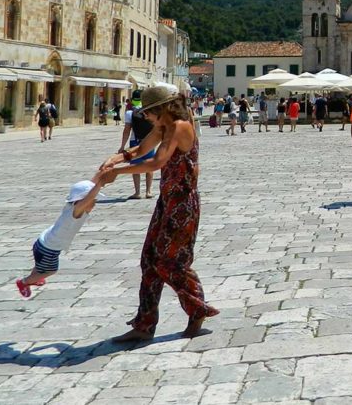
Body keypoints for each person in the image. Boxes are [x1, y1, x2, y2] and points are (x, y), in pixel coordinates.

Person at [98, 86, 218, 342]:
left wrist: (117, 173)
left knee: (171, 262)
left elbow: (157, 162)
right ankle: (144, 324)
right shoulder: (163, 126)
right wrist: (117, 157)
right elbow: (142, 149)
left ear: (160, 109)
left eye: (149, 112)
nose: (147, 117)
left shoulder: (179, 126)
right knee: (149, 260)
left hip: (183, 204)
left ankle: (197, 309)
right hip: (167, 201)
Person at [15, 178, 106, 298]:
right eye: (93, 200)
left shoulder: (71, 206)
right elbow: (88, 198)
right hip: (49, 248)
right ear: (81, 200)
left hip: (44, 242)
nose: (94, 202)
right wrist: (100, 184)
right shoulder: (76, 211)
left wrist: (102, 175)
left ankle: (35, 278)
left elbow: (87, 189)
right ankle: (24, 282)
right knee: (50, 270)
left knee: (41, 266)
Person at [120, 90, 155, 200]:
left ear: (132, 99)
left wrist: (122, 146)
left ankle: (137, 192)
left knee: (135, 167)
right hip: (149, 141)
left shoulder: (130, 113)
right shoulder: (149, 111)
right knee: (149, 166)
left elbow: (127, 130)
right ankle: (148, 191)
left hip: (135, 141)